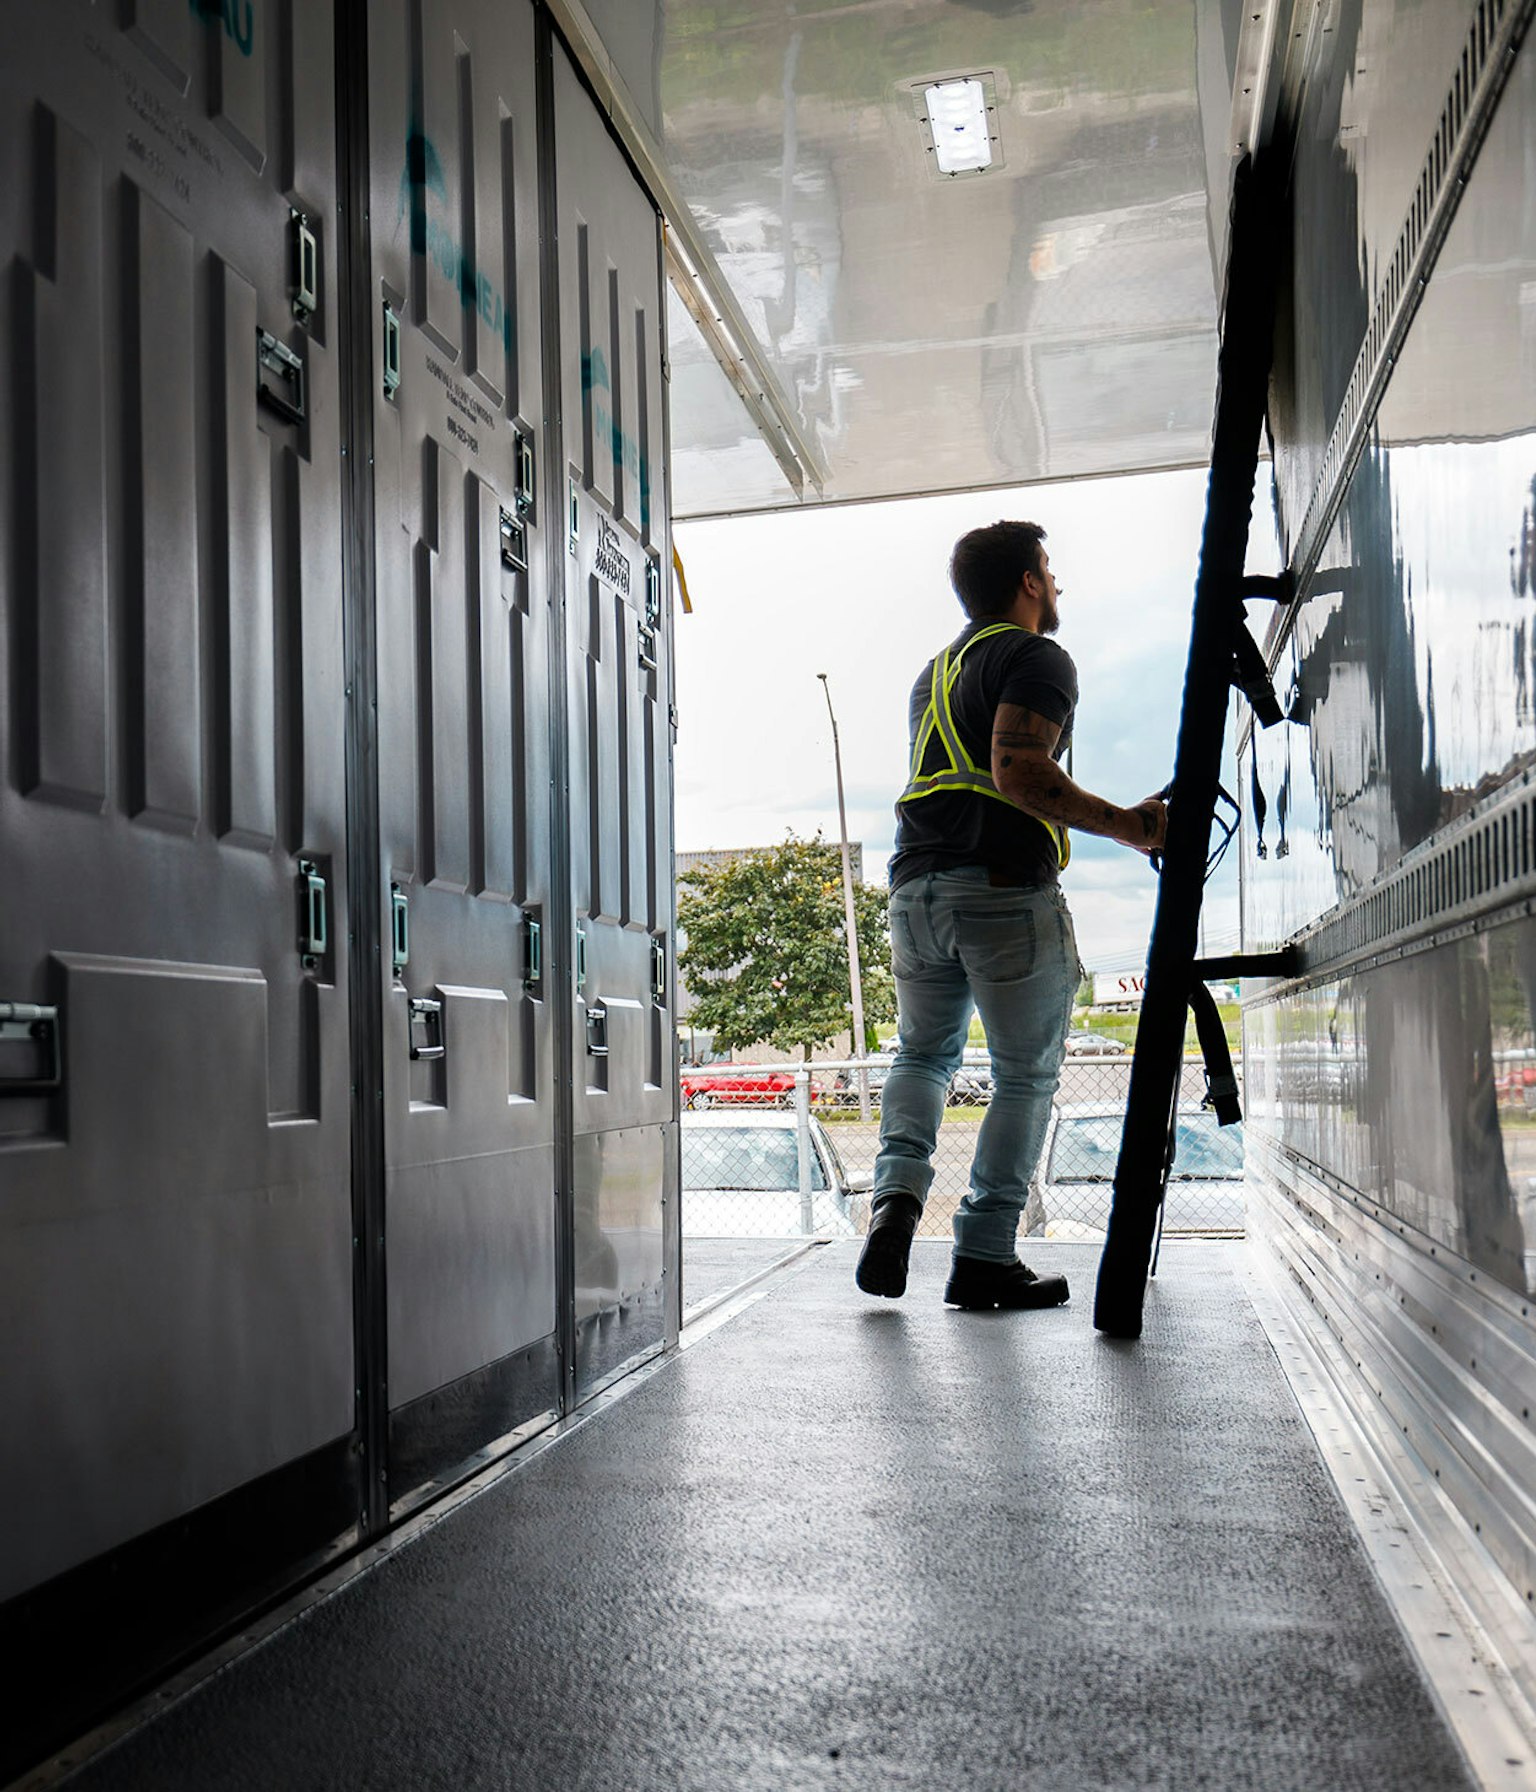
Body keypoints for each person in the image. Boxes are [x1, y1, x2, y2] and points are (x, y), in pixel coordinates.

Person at [856, 520, 1167, 1309]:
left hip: (915, 889)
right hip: (998, 888)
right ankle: (985, 1254)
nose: (1057, 587)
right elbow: (1019, 770)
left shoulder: (936, 671)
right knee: (1024, 1076)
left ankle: (894, 1204)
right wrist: (1133, 827)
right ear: (1028, 582)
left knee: (923, 1058)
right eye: (1050, 572)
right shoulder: (1036, 656)